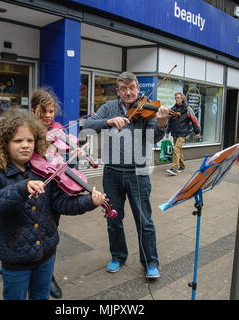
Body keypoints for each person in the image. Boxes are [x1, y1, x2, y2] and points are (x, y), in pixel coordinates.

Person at [0, 110, 106, 300]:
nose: (25, 145)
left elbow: (61, 204)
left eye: (30, 140)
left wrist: (89, 201)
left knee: (41, 297)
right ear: (4, 144)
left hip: (47, 253)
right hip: (16, 258)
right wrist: (22, 188)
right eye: (18, 141)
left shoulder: (43, 169)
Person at [83, 71, 170, 279]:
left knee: (144, 221)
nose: (129, 92)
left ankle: (150, 262)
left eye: (132, 88)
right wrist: (108, 122)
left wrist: (161, 124)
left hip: (138, 172)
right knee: (113, 218)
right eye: (124, 88)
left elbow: (153, 139)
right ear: (118, 91)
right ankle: (118, 256)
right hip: (112, 172)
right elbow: (88, 125)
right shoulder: (109, 108)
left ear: (138, 89)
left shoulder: (147, 108)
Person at [29, 88, 64, 298]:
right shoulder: (26, 130)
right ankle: (23, 268)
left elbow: (61, 153)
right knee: (32, 230)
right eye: (44, 111)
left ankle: (48, 275)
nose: (49, 116)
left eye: (51, 111)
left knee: (51, 230)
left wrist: (73, 149)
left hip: (55, 185)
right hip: (33, 184)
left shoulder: (58, 129)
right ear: (34, 111)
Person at [165, 92, 201, 176]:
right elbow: (170, 121)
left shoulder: (187, 109)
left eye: (178, 98)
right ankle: (182, 166)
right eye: (176, 98)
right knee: (179, 150)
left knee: (176, 149)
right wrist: (167, 131)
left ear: (182, 99)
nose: (176, 99)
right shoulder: (173, 109)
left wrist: (197, 132)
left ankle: (174, 168)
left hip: (183, 133)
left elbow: (194, 120)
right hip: (175, 132)